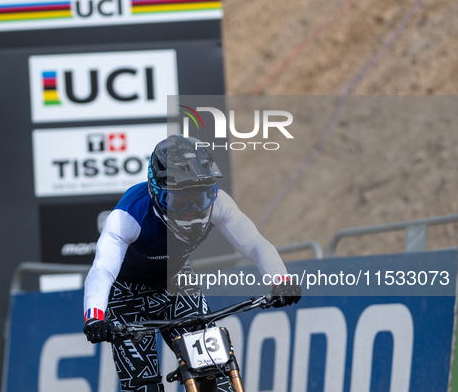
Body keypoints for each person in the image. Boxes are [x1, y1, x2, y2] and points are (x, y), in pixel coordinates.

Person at [83, 134, 301, 392]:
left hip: (176, 280)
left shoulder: (220, 203)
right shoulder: (128, 216)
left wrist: (281, 279)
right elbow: (103, 270)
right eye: (179, 200)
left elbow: (255, 244)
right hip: (126, 294)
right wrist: (94, 316)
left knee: (214, 372)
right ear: (156, 193)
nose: (192, 210)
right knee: (145, 388)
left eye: (200, 197)